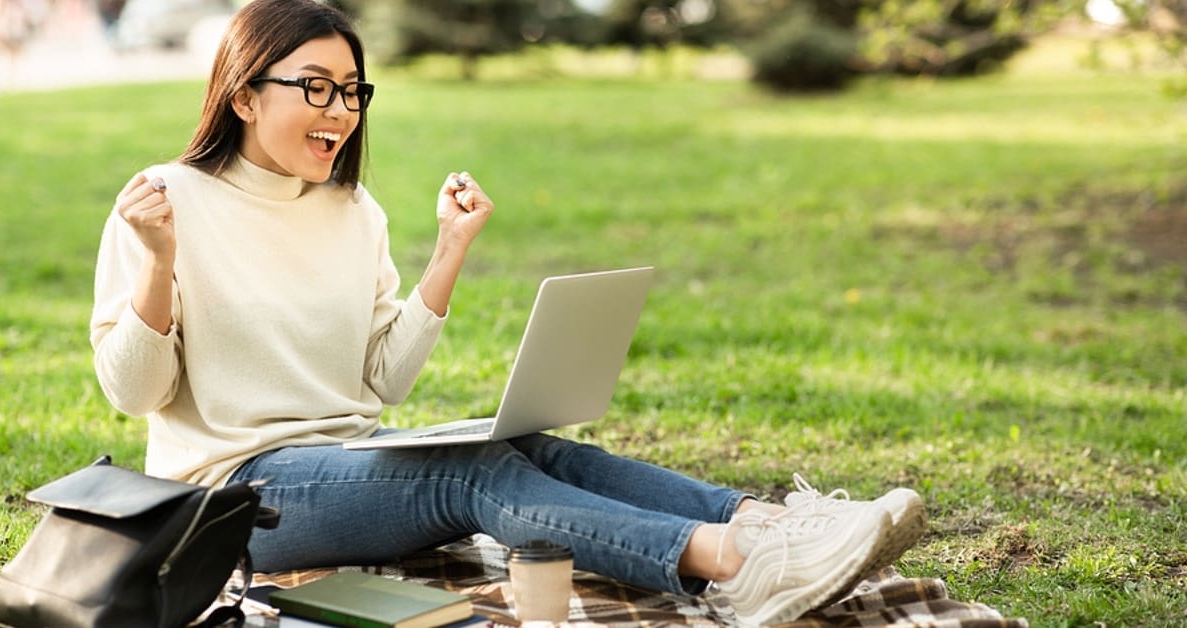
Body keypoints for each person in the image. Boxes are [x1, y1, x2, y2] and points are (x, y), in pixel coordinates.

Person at [88, 0, 928, 624]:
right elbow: (133, 392)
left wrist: (448, 252)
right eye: (316, 88)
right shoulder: (166, 204)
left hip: (348, 455)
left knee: (520, 445)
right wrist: (159, 264)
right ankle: (739, 566)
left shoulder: (353, 212)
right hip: (237, 494)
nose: (341, 112)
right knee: (472, 476)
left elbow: (383, 380)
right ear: (242, 95)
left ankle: (778, 520)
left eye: (352, 90)